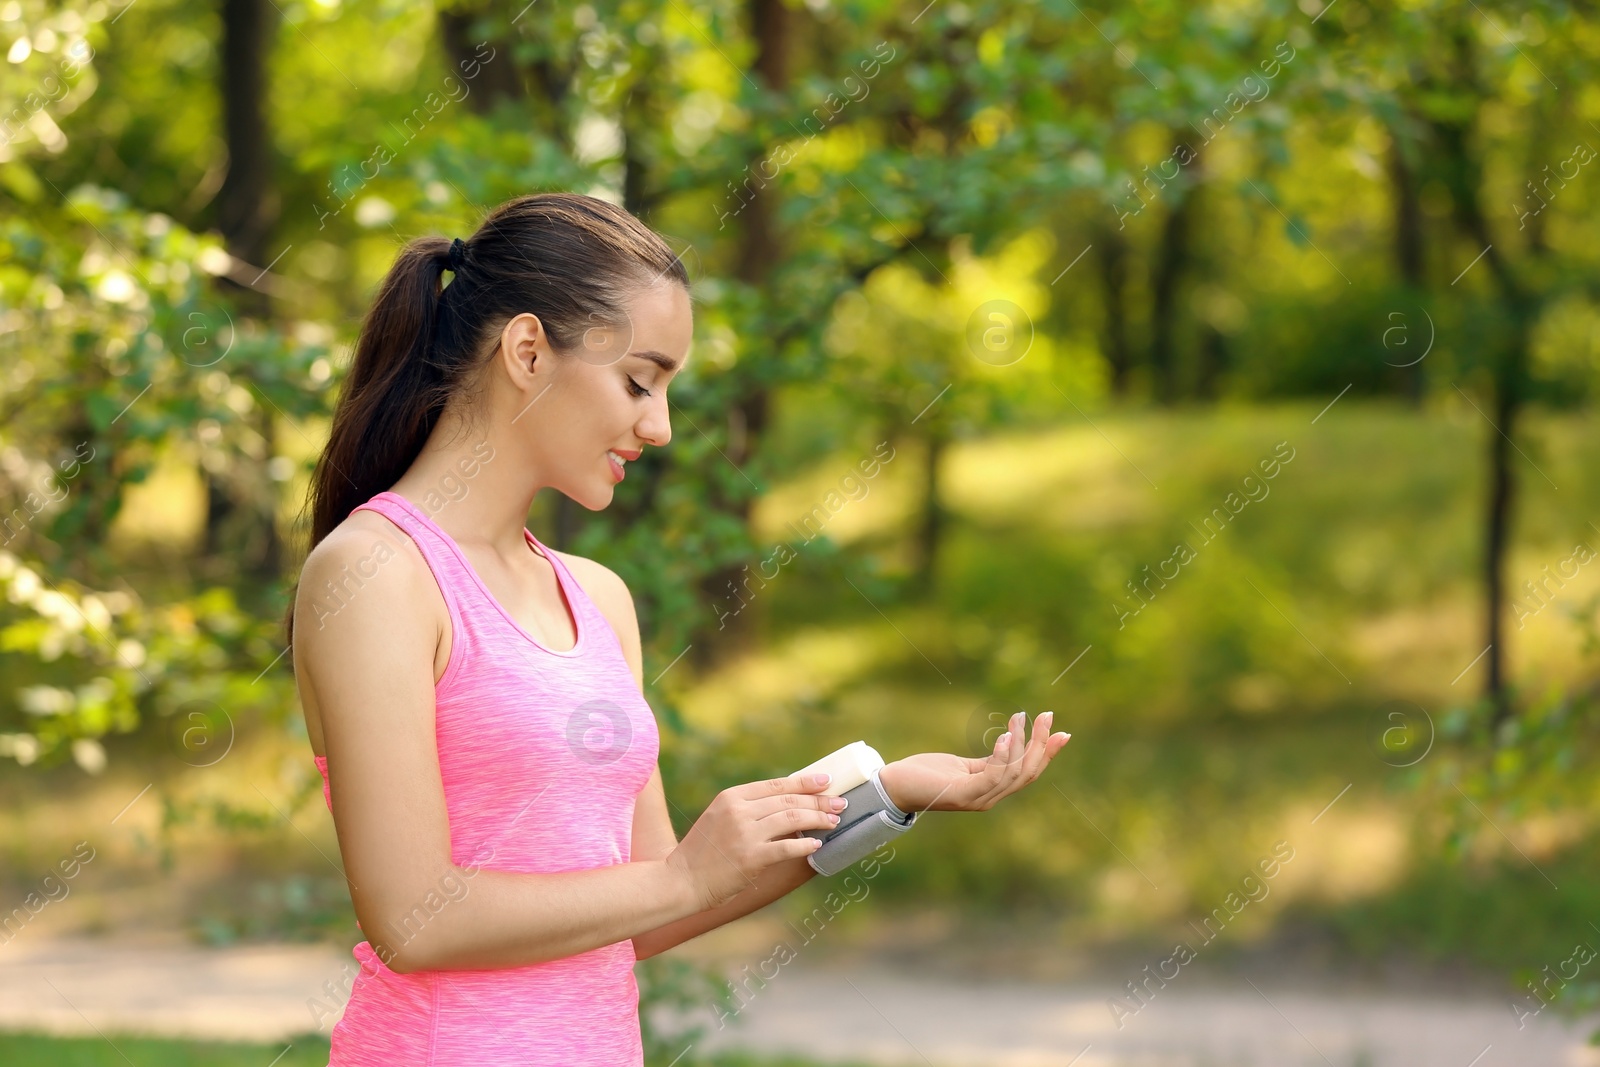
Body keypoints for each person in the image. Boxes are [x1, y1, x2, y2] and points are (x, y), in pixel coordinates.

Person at [286, 192, 1072, 1065]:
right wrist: (678, 877)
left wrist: (886, 796)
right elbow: (411, 917)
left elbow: (655, 904)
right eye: (638, 380)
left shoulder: (596, 597)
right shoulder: (376, 575)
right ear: (527, 349)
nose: (657, 425)